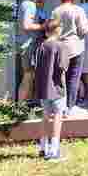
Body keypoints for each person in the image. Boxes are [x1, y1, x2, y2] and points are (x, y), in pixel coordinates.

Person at [49, 0, 88, 114]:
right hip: (75, 47)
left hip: (59, 47)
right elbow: (83, 30)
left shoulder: (55, 11)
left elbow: (51, 29)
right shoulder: (78, 10)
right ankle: (70, 107)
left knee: (59, 78)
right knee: (73, 78)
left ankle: (59, 107)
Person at [34, 19, 69, 163]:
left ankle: (43, 147)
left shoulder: (41, 45)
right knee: (58, 116)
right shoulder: (61, 46)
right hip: (57, 87)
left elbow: (36, 65)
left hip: (43, 87)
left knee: (45, 116)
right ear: (58, 30)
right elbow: (63, 67)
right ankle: (54, 150)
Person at [17, 0, 50, 102]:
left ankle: (27, 104)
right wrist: (44, 26)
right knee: (28, 75)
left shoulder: (27, 4)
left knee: (30, 76)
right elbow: (27, 25)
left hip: (28, 43)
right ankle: (20, 106)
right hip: (28, 44)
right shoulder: (30, 5)